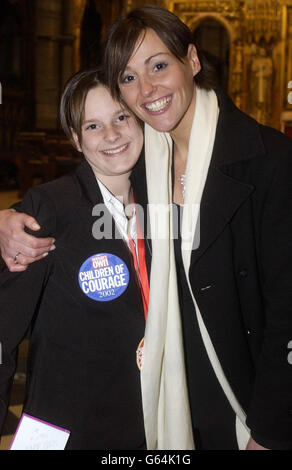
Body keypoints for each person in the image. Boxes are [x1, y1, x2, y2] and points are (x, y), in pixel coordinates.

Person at [1, 4, 292, 450]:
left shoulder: (269, 162)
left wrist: (270, 430)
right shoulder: (142, 169)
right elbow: (68, 205)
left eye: (158, 65)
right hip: (141, 405)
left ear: (192, 61)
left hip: (236, 399)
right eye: (129, 77)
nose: (147, 88)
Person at [0, 68, 149, 450]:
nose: (112, 135)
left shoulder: (164, 204)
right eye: (93, 126)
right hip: (69, 424)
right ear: (75, 139)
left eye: (121, 118)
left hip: (148, 417)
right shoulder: (50, 208)